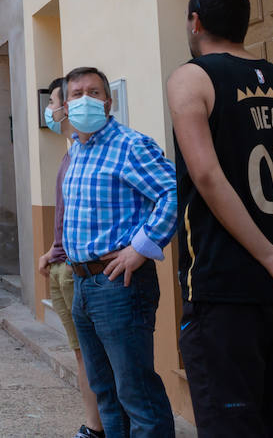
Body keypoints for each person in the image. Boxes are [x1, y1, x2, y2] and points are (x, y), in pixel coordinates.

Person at [166, 0, 273, 437]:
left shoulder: (191, 77)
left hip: (225, 286)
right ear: (245, 23)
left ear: (195, 22)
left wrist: (266, 254)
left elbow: (207, 175)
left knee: (231, 424)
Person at [62, 66, 178, 438]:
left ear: (108, 102)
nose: (85, 100)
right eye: (76, 93)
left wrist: (140, 248)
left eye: (93, 93)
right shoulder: (78, 150)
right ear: (65, 104)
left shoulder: (130, 145)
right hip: (83, 285)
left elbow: (173, 193)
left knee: (137, 395)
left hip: (120, 285)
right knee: (107, 394)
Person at [36, 76, 105, 438]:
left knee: (93, 356)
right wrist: (53, 250)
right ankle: (94, 425)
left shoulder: (95, 150)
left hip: (86, 272)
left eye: (54, 102)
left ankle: (101, 426)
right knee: (82, 354)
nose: (49, 109)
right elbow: (70, 216)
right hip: (65, 265)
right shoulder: (70, 154)